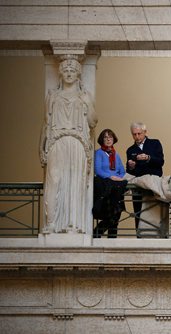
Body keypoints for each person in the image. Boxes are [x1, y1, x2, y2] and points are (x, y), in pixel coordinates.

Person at [39, 55, 97, 234]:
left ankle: (73, 224)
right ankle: (51, 223)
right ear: (61, 74)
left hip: (78, 143)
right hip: (57, 142)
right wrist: (41, 147)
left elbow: (93, 121)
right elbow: (46, 123)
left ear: (78, 74)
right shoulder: (53, 96)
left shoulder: (84, 96)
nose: (69, 74)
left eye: (73, 71)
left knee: (75, 182)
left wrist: (88, 104)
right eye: (66, 71)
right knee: (54, 181)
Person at [126, 122, 164, 236]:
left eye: (139, 133)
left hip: (153, 184)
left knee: (154, 214)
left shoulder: (155, 143)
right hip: (138, 186)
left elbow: (161, 162)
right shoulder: (130, 149)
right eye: (134, 134)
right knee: (138, 213)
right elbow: (129, 171)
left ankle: (158, 238)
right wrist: (131, 166)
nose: (137, 137)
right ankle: (139, 238)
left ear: (145, 132)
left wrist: (148, 158)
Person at [92, 129, 127, 238]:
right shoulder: (98, 153)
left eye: (110, 137)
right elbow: (98, 170)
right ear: (102, 140)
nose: (108, 139)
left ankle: (109, 237)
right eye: (105, 137)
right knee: (112, 211)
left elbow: (122, 171)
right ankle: (98, 232)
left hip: (117, 184)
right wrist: (110, 176)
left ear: (113, 139)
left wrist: (119, 178)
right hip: (105, 184)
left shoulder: (116, 155)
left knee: (116, 211)